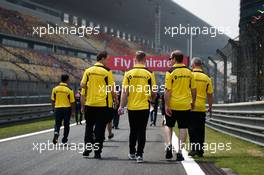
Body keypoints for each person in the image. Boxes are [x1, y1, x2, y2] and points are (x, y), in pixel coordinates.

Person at [118, 51, 156, 163]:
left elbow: (124, 92)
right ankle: (140, 155)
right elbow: (154, 92)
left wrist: (121, 106)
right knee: (142, 131)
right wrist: (152, 99)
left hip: (132, 107)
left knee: (133, 130)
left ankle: (131, 153)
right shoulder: (149, 73)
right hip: (144, 106)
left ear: (135, 59)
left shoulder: (128, 73)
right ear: (145, 59)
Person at [81, 51, 117, 159]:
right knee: (100, 129)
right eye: (107, 59)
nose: (108, 61)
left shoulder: (88, 71)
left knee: (89, 127)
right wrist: (116, 99)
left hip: (90, 104)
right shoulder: (107, 71)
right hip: (102, 105)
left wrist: (90, 88)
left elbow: (82, 84)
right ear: (102, 58)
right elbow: (111, 88)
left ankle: (87, 148)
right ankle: (97, 152)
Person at [164, 50, 196, 161]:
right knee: (183, 127)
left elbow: (167, 90)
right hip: (185, 104)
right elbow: (193, 89)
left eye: (171, 59)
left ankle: (169, 145)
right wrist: (193, 102)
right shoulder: (190, 71)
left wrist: (166, 105)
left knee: (169, 125)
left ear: (174, 59)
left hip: (172, 104)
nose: (170, 61)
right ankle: (179, 152)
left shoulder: (170, 72)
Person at [188, 57, 213, 157]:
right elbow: (210, 94)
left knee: (192, 129)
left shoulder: (189, 76)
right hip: (201, 108)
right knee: (201, 130)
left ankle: (193, 149)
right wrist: (210, 107)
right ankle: (200, 151)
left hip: (190, 106)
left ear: (193, 65)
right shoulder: (206, 78)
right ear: (201, 65)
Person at [51, 74, 75, 145]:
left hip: (57, 108)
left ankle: (56, 132)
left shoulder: (55, 89)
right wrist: (73, 112)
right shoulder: (69, 90)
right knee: (66, 125)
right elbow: (72, 102)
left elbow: (53, 100)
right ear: (67, 80)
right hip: (66, 109)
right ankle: (64, 140)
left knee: (57, 124)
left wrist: (53, 109)